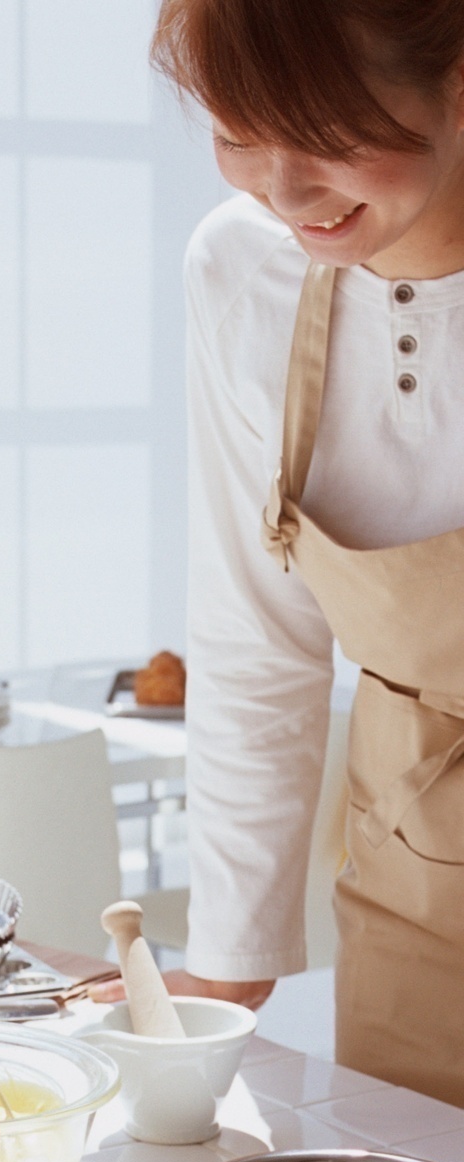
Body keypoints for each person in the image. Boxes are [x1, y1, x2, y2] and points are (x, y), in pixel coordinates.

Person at [140, 0, 464, 1103]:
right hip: (421, 874)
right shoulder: (243, 274)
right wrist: (228, 957)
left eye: (324, 130)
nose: (281, 191)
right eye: (239, 130)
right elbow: (253, 635)